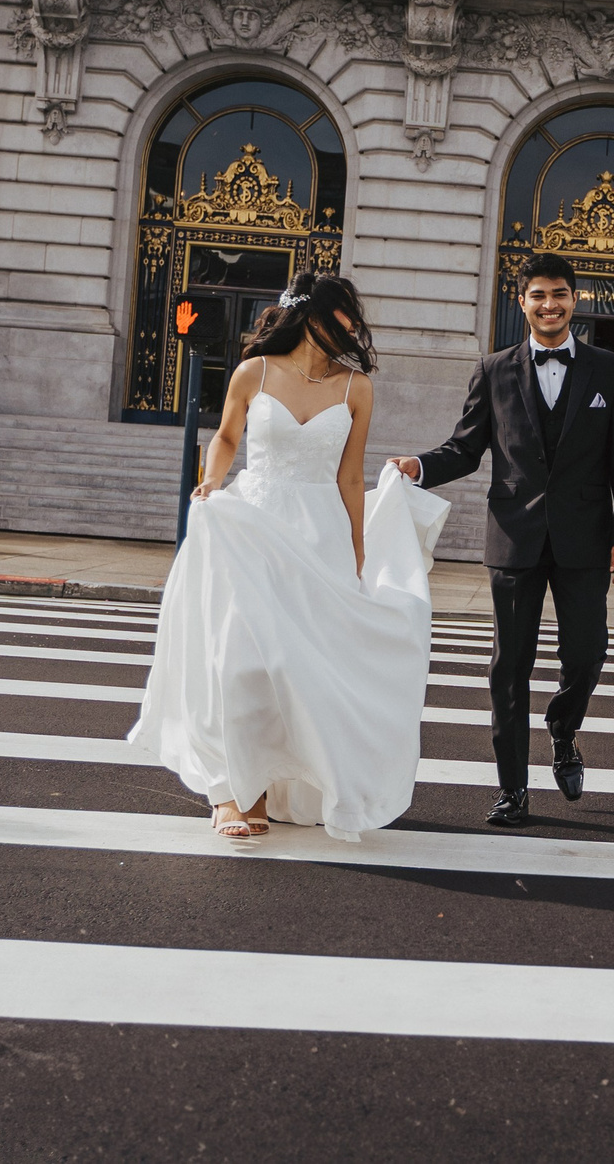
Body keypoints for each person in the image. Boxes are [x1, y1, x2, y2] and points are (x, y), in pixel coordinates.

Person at [129, 273, 445, 841]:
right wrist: (212, 483)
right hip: (255, 524)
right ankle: (234, 794)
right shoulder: (255, 371)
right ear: (311, 315)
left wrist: (356, 546)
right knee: (243, 660)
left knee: (304, 669)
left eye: (353, 318)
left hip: (320, 535)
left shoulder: (357, 388)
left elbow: (350, 474)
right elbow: (226, 437)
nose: (351, 326)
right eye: (342, 315)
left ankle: (284, 782)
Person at [391, 252, 614, 826]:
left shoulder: (611, 371)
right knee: (510, 666)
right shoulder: (493, 370)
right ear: (521, 301)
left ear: (575, 300)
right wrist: (419, 467)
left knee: (588, 653)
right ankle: (513, 791)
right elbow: (465, 447)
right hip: (514, 537)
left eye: (559, 294)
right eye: (538, 295)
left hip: (585, 537)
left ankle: (562, 726)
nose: (549, 305)